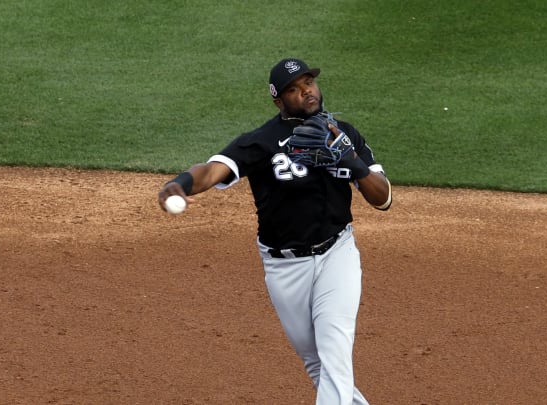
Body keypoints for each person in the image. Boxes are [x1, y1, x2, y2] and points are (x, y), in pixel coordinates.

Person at [158, 58, 392, 404]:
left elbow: (383, 198)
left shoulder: (345, 135)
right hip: (284, 268)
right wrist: (179, 185)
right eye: (294, 90)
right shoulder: (262, 142)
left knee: (335, 358)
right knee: (318, 365)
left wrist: (350, 160)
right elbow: (212, 169)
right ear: (279, 102)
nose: (307, 92)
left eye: (309, 82)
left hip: (336, 256)